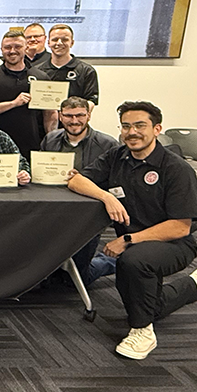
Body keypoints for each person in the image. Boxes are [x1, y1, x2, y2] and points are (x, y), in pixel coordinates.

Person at [68, 101, 197, 360]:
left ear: (156, 129)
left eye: (140, 125)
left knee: (133, 262)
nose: (132, 132)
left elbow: (180, 226)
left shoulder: (176, 168)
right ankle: (192, 286)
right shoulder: (116, 157)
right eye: (126, 126)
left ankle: (142, 331)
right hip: (135, 245)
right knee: (147, 301)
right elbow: (75, 179)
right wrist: (107, 198)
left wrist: (128, 239)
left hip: (175, 243)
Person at [41, 96, 119, 285]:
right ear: (60, 116)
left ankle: (113, 261)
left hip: (88, 214)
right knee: (47, 275)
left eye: (80, 115)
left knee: (77, 280)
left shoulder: (108, 145)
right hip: (53, 209)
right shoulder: (50, 139)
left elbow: (116, 183)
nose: (74, 121)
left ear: (89, 115)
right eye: (68, 115)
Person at [0, 30, 56, 158]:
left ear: (26, 48)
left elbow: (49, 114)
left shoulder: (40, 77)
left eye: (17, 46)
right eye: (7, 47)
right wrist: (13, 103)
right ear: (1, 49)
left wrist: (51, 143)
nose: (12, 51)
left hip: (31, 145)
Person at [38, 24, 100, 109]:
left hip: (73, 121)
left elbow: (91, 101)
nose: (59, 43)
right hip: (45, 121)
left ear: (72, 43)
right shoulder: (38, 71)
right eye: (55, 39)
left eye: (64, 40)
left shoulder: (86, 71)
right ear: (48, 43)